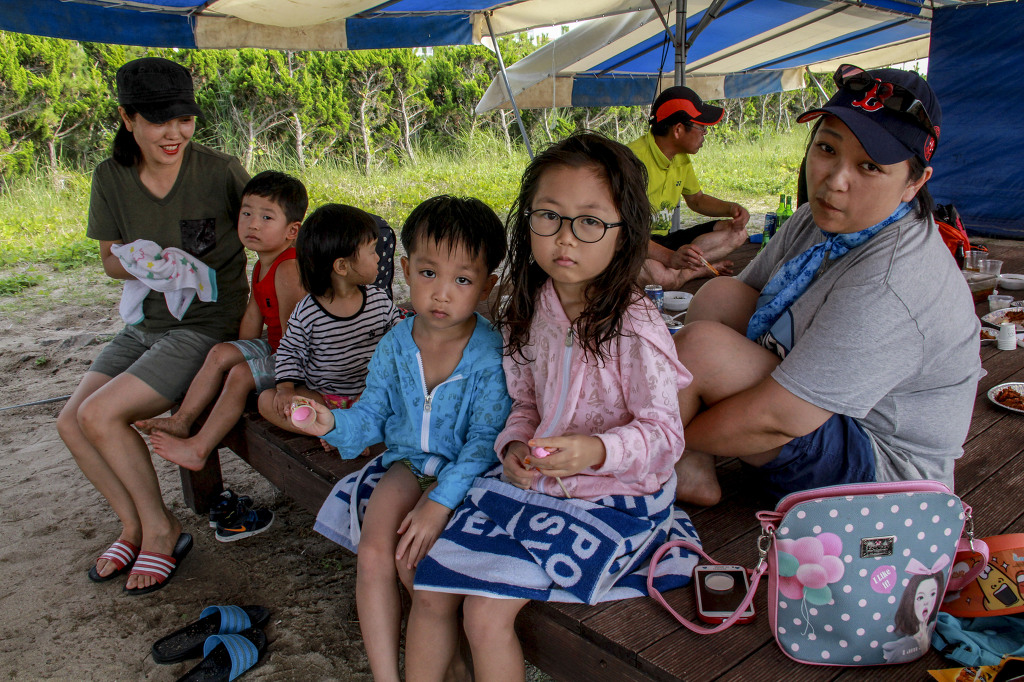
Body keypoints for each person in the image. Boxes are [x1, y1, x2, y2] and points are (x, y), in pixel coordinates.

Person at [406, 132, 698, 682]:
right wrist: (514, 445)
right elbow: (526, 402)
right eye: (549, 216)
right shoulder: (532, 305)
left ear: (625, 232)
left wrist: (596, 451)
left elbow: (665, 436)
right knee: (431, 584)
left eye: (590, 221)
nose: (566, 237)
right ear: (528, 221)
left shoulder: (634, 324)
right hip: (542, 485)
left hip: (617, 497)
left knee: (485, 614)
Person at [672, 65, 982, 507]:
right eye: (826, 148)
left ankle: (671, 456)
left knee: (701, 348)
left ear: (914, 183)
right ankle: (692, 464)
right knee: (721, 296)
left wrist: (654, 441)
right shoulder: (815, 220)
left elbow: (779, 418)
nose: (834, 181)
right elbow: (743, 303)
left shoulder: (893, 278)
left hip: (881, 478)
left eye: (869, 166)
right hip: (823, 412)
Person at [292, 195, 512, 682]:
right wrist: (331, 424)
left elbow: (483, 442)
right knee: (374, 554)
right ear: (406, 270)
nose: (441, 294)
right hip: (408, 462)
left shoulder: (490, 353)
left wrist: (440, 502)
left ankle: (453, 663)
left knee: (415, 564)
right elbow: (371, 414)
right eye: (428, 273)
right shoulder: (395, 343)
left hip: (470, 475)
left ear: (487, 285)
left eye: (462, 280)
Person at [55, 57, 250, 593]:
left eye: (184, 119)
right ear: (128, 118)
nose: (174, 133)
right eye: (159, 120)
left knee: (100, 415)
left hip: (207, 324)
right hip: (146, 323)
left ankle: (162, 531)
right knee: (71, 422)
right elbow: (109, 259)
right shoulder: (110, 177)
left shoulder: (219, 171)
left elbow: (274, 230)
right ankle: (137, 524)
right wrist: (150, 265)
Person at [136, 171, 307, 475]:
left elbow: (296, 337)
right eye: (247, 213)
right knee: (219, 353)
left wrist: (275, 378)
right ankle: (182, 419)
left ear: (292, 230)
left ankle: (199, 448)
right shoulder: (262, 264)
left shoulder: (288, 268)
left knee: (240, 375)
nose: (253, 224)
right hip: (276, 346)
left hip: (298, 359)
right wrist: (239, 350)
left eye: (267, 217)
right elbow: (253, 314)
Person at [257, 203, 401, 432]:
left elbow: (399, 330)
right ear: (342, 266)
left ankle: (337, 429)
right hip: (323, 398)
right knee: (266, 400)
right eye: (372, 251)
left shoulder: (378, 299)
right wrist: (285, 389)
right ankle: (337, 429)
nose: (378, 258)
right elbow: (290, 351)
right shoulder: (307, 312)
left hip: (372, 394)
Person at [628, 85, 750, 289]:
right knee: (662, 279)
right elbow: (624, 234)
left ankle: (680, 271)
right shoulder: (631, 161)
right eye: (701, 127)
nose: (705, 134)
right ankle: (693, 272)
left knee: (738, 233)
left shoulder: (680, 158)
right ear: (678, 130)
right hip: (636, 245)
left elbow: (697, 200)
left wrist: (731, 209)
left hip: (664, 240)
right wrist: (670, 257)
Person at [883, 562, 946, 662]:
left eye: (932, 594)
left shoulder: (935, 629)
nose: (926, 602)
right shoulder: (901, 648)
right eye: (920, 597)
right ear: (911, 601)